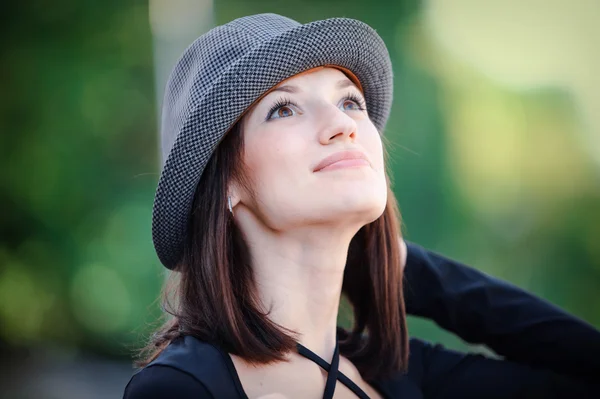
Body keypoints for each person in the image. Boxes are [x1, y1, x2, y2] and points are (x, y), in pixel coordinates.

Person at [123, 13, 600, 398]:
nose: (342, 123)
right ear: (225, 184)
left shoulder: (405, 376)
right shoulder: (181, 389)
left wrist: (400, 264)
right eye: (283, 108)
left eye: (350, 101)